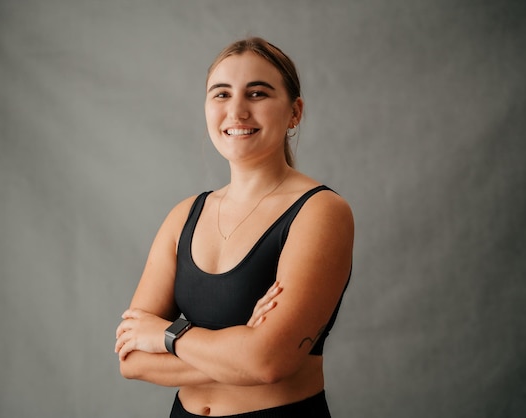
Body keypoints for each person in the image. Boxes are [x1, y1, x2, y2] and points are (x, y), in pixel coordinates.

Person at [115, 37, 354, 417]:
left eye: (257, 94)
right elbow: (132, 359)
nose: (237, 110)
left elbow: (268, 363)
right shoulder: (184, 216)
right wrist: (241, 350)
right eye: (221, 94)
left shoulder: (320, 211)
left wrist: (167, 335)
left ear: (295, 112)